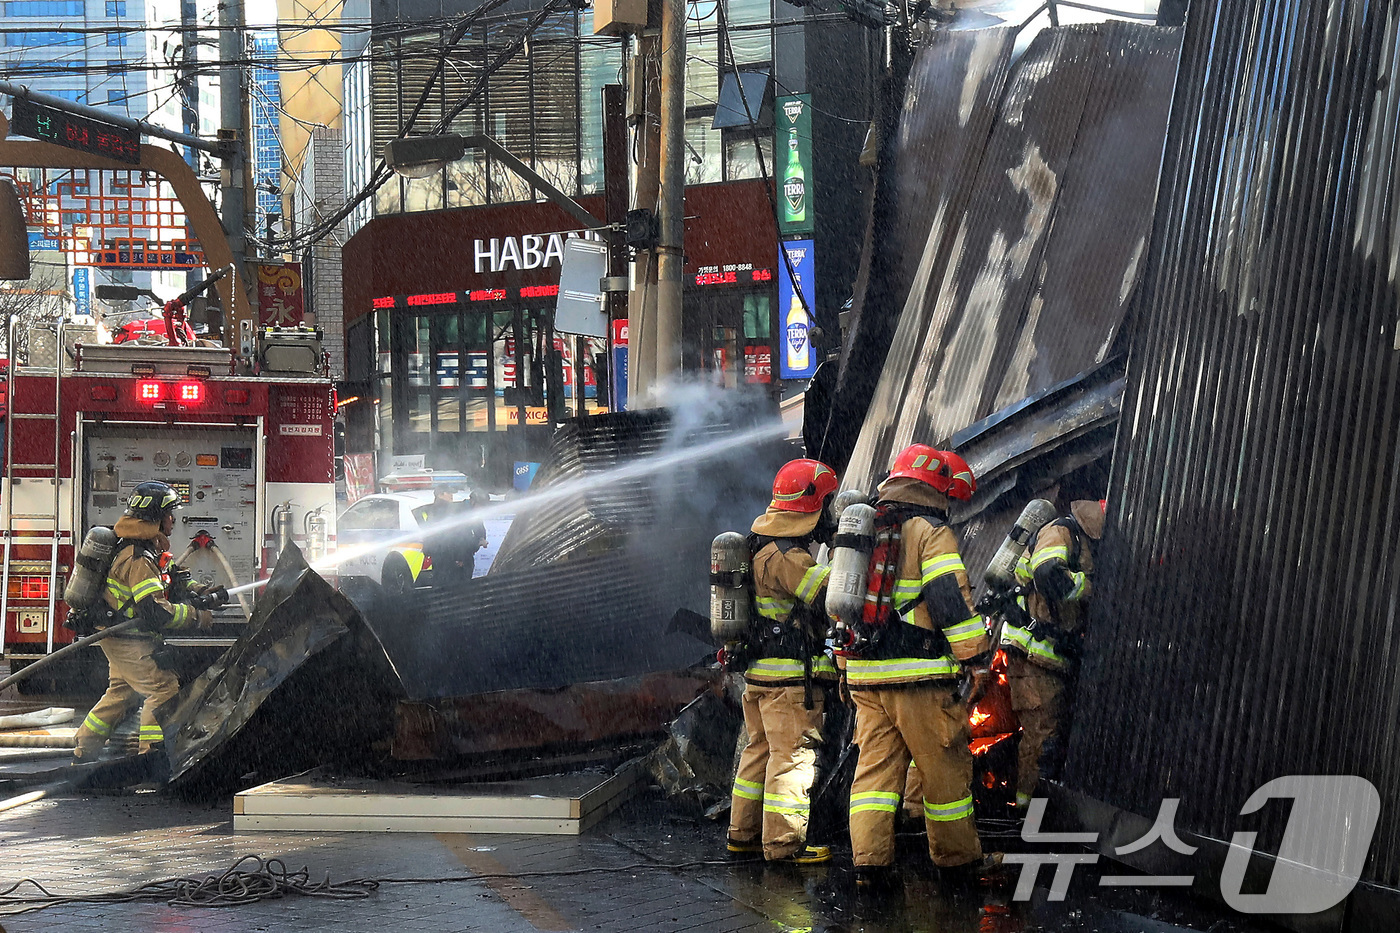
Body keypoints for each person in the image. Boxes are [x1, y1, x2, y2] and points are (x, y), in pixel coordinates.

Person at [842, 445, 995, 892]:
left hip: (866, 676)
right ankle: (958, 862)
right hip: (919, 676)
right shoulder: (930, 531)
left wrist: (843, 666)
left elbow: (843, 608)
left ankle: (869, 867)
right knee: (943, 770)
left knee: (873, 775)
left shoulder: (860, 529)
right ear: (934, 489)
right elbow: (948, 599)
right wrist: (976, 658)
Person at [726, 458, 841, 865]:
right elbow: (829, 600)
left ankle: (742, 835)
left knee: (758, 752)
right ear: (812, 506)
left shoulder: (756, 545)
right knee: (792, 760)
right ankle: (784, 845)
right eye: (827, 503)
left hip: (759, 678)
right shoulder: (789, 557)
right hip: (789, 681)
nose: (829, 512)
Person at [73, 481, 213, 761]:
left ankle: (83, 750)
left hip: (117, 635)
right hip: (127, 638)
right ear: (157, 519)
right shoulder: (137, 558)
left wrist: (201, 592)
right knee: (163, 688)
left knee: (122, 692)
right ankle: (150, 758)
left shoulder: (144, 546)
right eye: (170, 514)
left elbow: (172, 576)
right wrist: (197, 616)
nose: (174, 519)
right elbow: (155, 612)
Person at [1001, 497, 1104, 811]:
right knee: (1041, 735)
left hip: (1053, 655)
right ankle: (1026, 815)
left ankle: (1037, 810)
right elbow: (1047, 573)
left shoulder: (1086, 540)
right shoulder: (1062, 532)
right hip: (1033, 651)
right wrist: (1093, 590)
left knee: (1051, 733)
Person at [418, 486, 473, 586]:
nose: (451, 495)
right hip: (450, 556)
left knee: (439, 584)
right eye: (448, 492)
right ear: (440, 495)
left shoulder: (432, 510)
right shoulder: (449, 510)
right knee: (453, 587)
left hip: (438, 555)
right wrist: (460, 557)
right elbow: (456, 535)